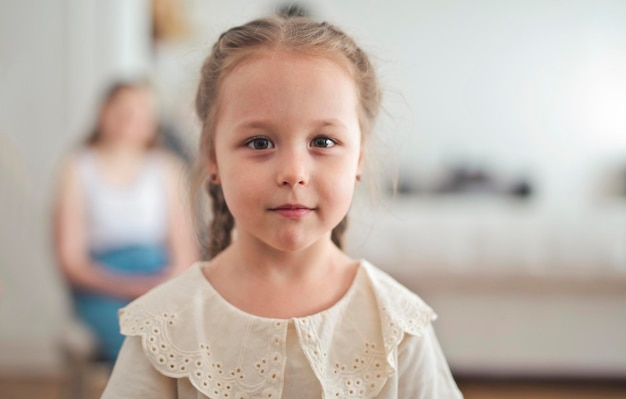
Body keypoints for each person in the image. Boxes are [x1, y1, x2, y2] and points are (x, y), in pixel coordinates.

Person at [102, 17, 463, 398]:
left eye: (323, 141)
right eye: (259, 143)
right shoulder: (165, 325)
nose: (293, 173)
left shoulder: (397, 324)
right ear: (212, 157)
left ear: (359, 159)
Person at [54, 81, 199, 363]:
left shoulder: (167, 168)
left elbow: (185, 255)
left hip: (158, 276)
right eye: (123, 110)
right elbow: (70, 261)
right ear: (103, 113)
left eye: (141, 112)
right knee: (132, 352)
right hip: (100, 285)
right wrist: (127, 287)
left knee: (184, 342)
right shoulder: (78, 167)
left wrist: (161, 284)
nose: (131, 119)